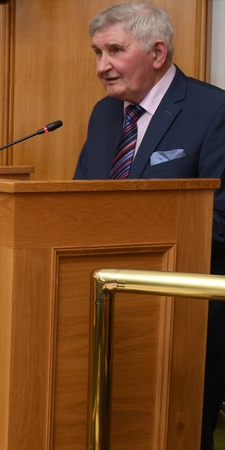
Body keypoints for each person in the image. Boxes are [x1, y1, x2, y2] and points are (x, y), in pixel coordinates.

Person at [72, 4, 225, 449]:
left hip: (184, 321)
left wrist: (128, 238)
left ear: (158, 52)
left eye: (115, 50)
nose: (102, 66)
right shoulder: (105, 114)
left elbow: (219, 220)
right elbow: (83, 203)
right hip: (107, 314)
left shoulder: (213, 111)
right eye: (98, 52)